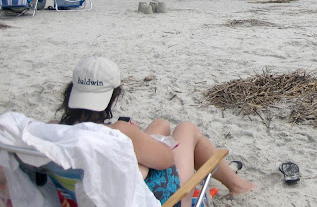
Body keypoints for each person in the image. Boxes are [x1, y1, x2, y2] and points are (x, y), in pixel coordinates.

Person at [57, 57, 256, 205]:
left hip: (87, 197)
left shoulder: (54, 132)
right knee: (186, 129)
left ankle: (235, 183)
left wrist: (139, 144)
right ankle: (238, 185)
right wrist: (138, 144)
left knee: (160, 124)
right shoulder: (120, 131)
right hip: (157, 200)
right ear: (114, 96)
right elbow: (166, 160)